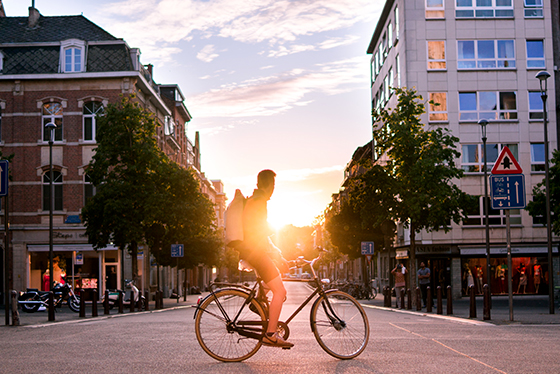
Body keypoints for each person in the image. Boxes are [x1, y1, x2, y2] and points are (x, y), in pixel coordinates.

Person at [239, 169, 293, 348]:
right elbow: (260, 231)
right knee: (280, 292)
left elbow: (260, 233)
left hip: (252, 251)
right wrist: (275, 236)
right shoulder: (259, 201)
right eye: (273, 185)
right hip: (255, 252)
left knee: (274, 278)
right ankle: (270, 334)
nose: (274, 189)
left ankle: (258, 301)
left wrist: (277, 254)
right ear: (267, 184)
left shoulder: (254, 199)